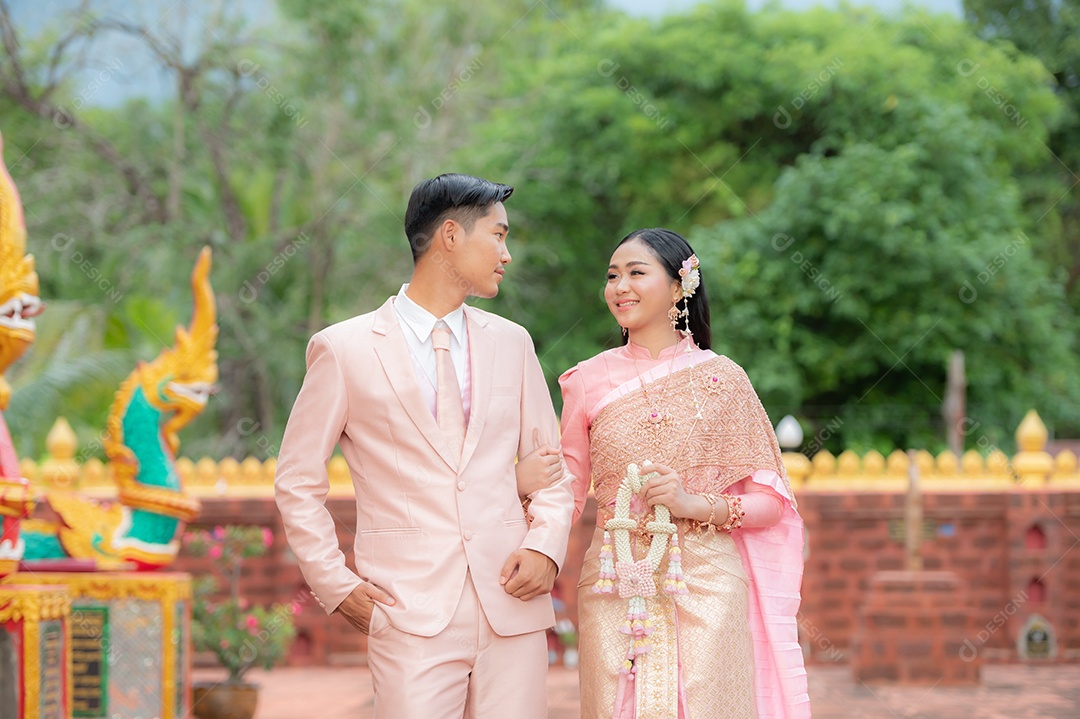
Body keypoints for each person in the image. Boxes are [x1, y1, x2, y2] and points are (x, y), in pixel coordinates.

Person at [274, 173, 575, 718]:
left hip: (512, 599)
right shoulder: (343, 349)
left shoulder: (513, 342)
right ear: (451, 237)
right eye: (499, 235)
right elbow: (297, 481)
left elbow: (552, 467)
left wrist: (546, 548)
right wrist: (335, 585)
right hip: (408, 610)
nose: (507, 253)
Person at [559, 228, 810, 718]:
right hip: (615, 580)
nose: (619, 287)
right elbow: (565, 491)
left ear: (679, 286)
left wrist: (695, 505)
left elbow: (772, 504)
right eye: (612, 276)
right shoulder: (586, 379)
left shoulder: (723, 380)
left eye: (636, 273)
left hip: (708, 581)